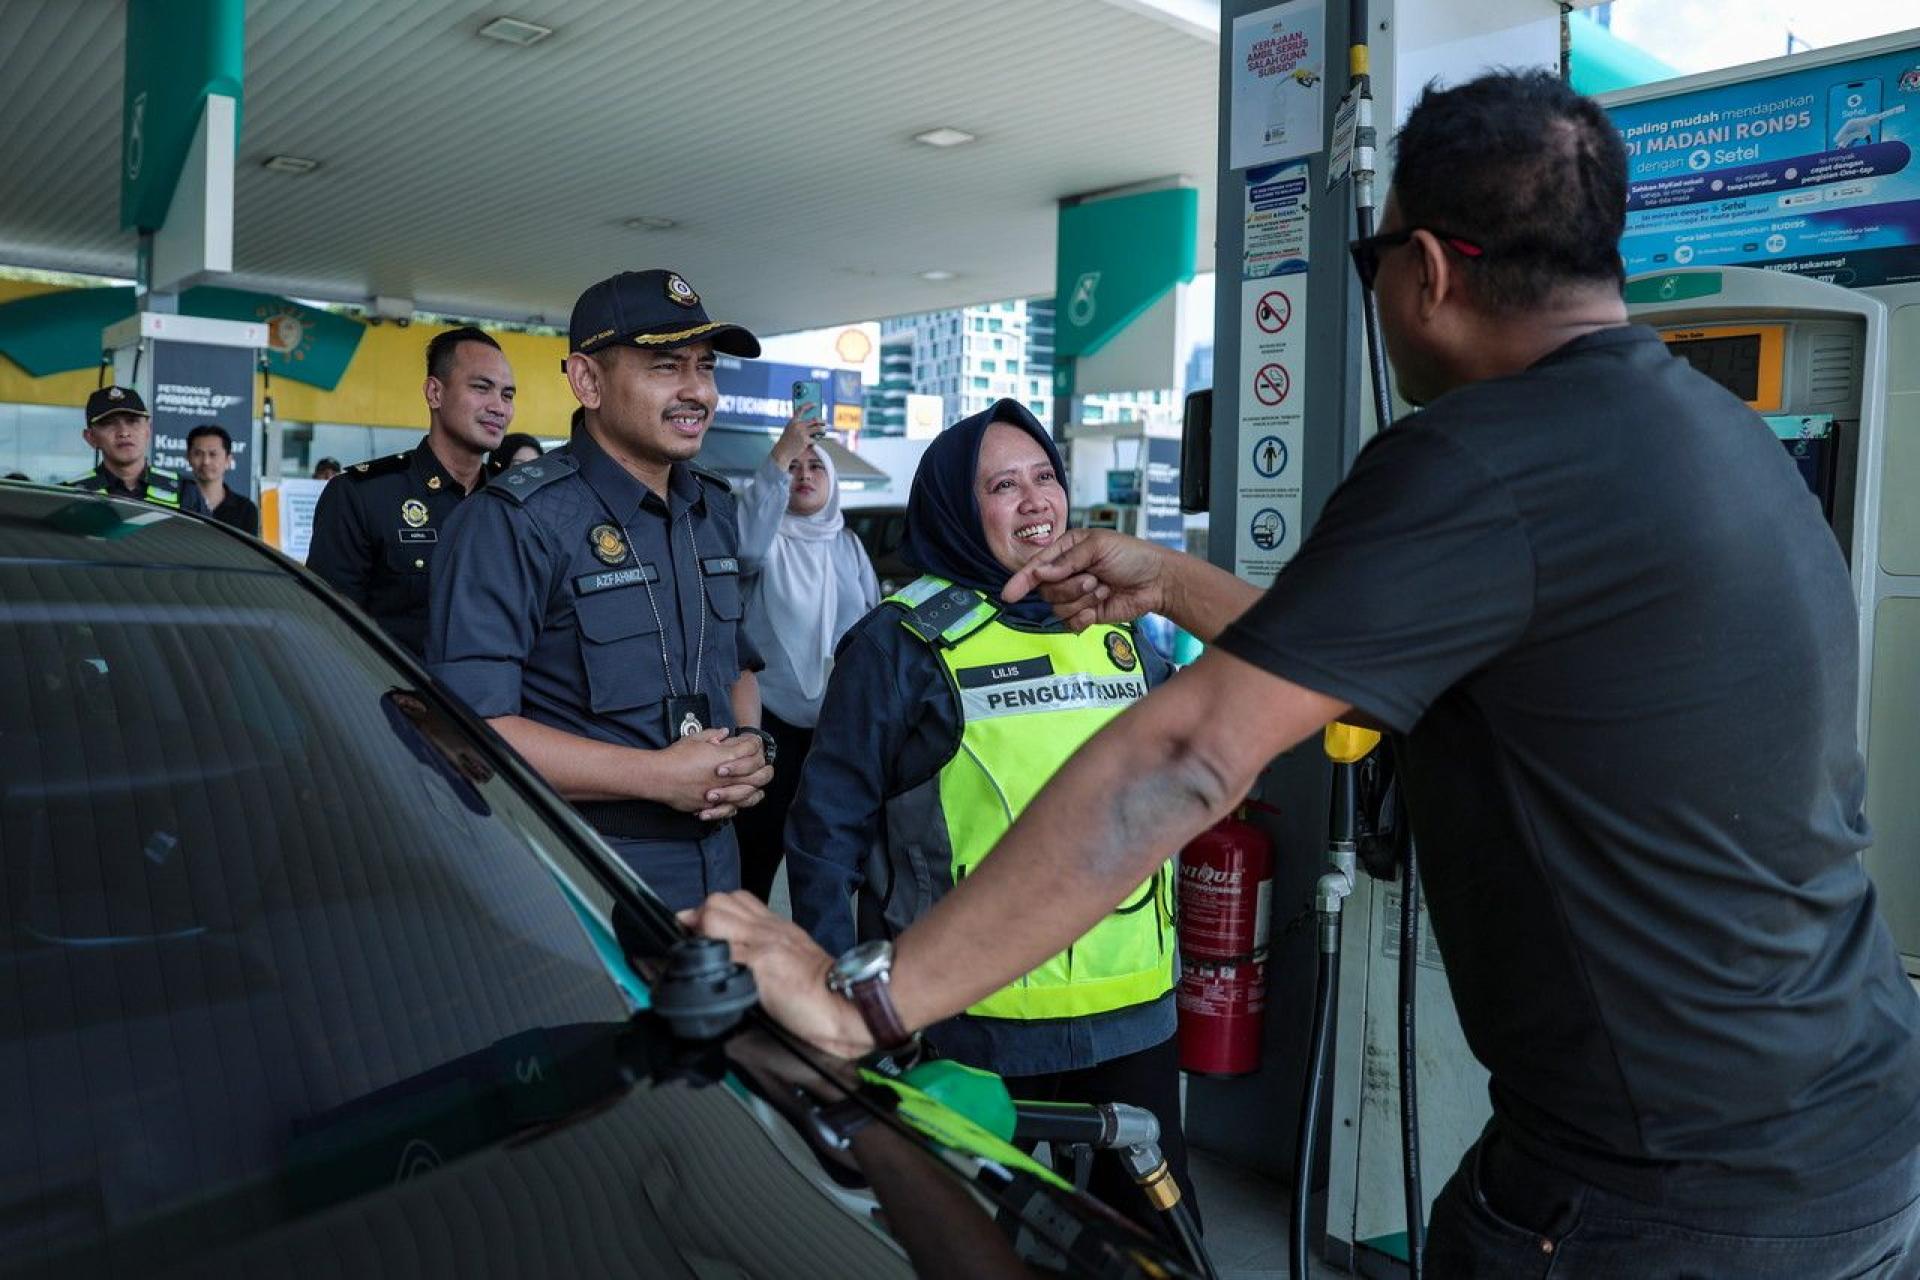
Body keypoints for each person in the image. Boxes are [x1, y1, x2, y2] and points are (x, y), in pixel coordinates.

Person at [693, 71, 1920, 1276]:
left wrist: (866, 1003)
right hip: (1853, 1129)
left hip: (1658, 1193)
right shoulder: (1720, 436)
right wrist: (1171, 581)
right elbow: (1369, 648)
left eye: (1371, 263)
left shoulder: (1471, 455)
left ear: (1428, 269)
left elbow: (1181, 757)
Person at [780, 399, 1192, 1224]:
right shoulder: (900, 646)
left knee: (1158, 1247)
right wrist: (844, 1018)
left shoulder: (1116, 631)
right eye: (1004, 486)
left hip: (1132, 1023)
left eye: (1046, 477)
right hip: (969, 1028)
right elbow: (826, 834)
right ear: (957, 511)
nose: (1037, 501)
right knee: (963, 1243)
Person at [428, 269, 774, 912]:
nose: (697, 391)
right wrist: (657, 777)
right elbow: (469, 730)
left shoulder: (714, 510)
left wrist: (749, 748)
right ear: (588, 380)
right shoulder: (512, 521)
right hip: (578, 872)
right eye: (666, 366)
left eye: (705, 367)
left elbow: (737, 665)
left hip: (718, 866)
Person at [730, 410, 879, 901]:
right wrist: (781, 452)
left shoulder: (848, 545)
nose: (804, 475)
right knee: (758, 847)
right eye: (795, 467)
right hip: (770, 720)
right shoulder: (764, 545)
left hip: (839, 726)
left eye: (816, 467)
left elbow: (873, 625)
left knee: (830, 851)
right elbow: (744, 549)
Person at [306, 326, 515, 658]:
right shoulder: (362, 496)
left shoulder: (516, 503)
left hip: (497, 705)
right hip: (394, 702)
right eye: (481, 388)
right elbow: (328, 630)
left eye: (507, 395)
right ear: (435, 392)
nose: (498, 407)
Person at [65, 386, 207, 514]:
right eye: (109, 424)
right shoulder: (67, 495)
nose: (124, 432)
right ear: (91, 438)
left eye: (132, 421)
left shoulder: (185, 493)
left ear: (148, 430)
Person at [185, 424, 260, 535]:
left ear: (228, 460)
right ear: (188, 458)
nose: (206, 461)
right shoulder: (178, 503)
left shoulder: (246, 509)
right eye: (198, 454)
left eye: (213, 454)